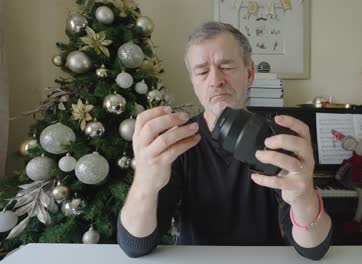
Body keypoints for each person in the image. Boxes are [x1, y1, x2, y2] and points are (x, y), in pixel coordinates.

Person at [117, 21, 332, 260]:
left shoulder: (278, 139)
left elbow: (313, 249)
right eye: (201, 71)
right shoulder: (175, 143)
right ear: (194, 83)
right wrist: (144, 183)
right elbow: (136, 246)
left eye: (226, 67)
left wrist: (304, 199)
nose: (215, 80)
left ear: (249, 73)